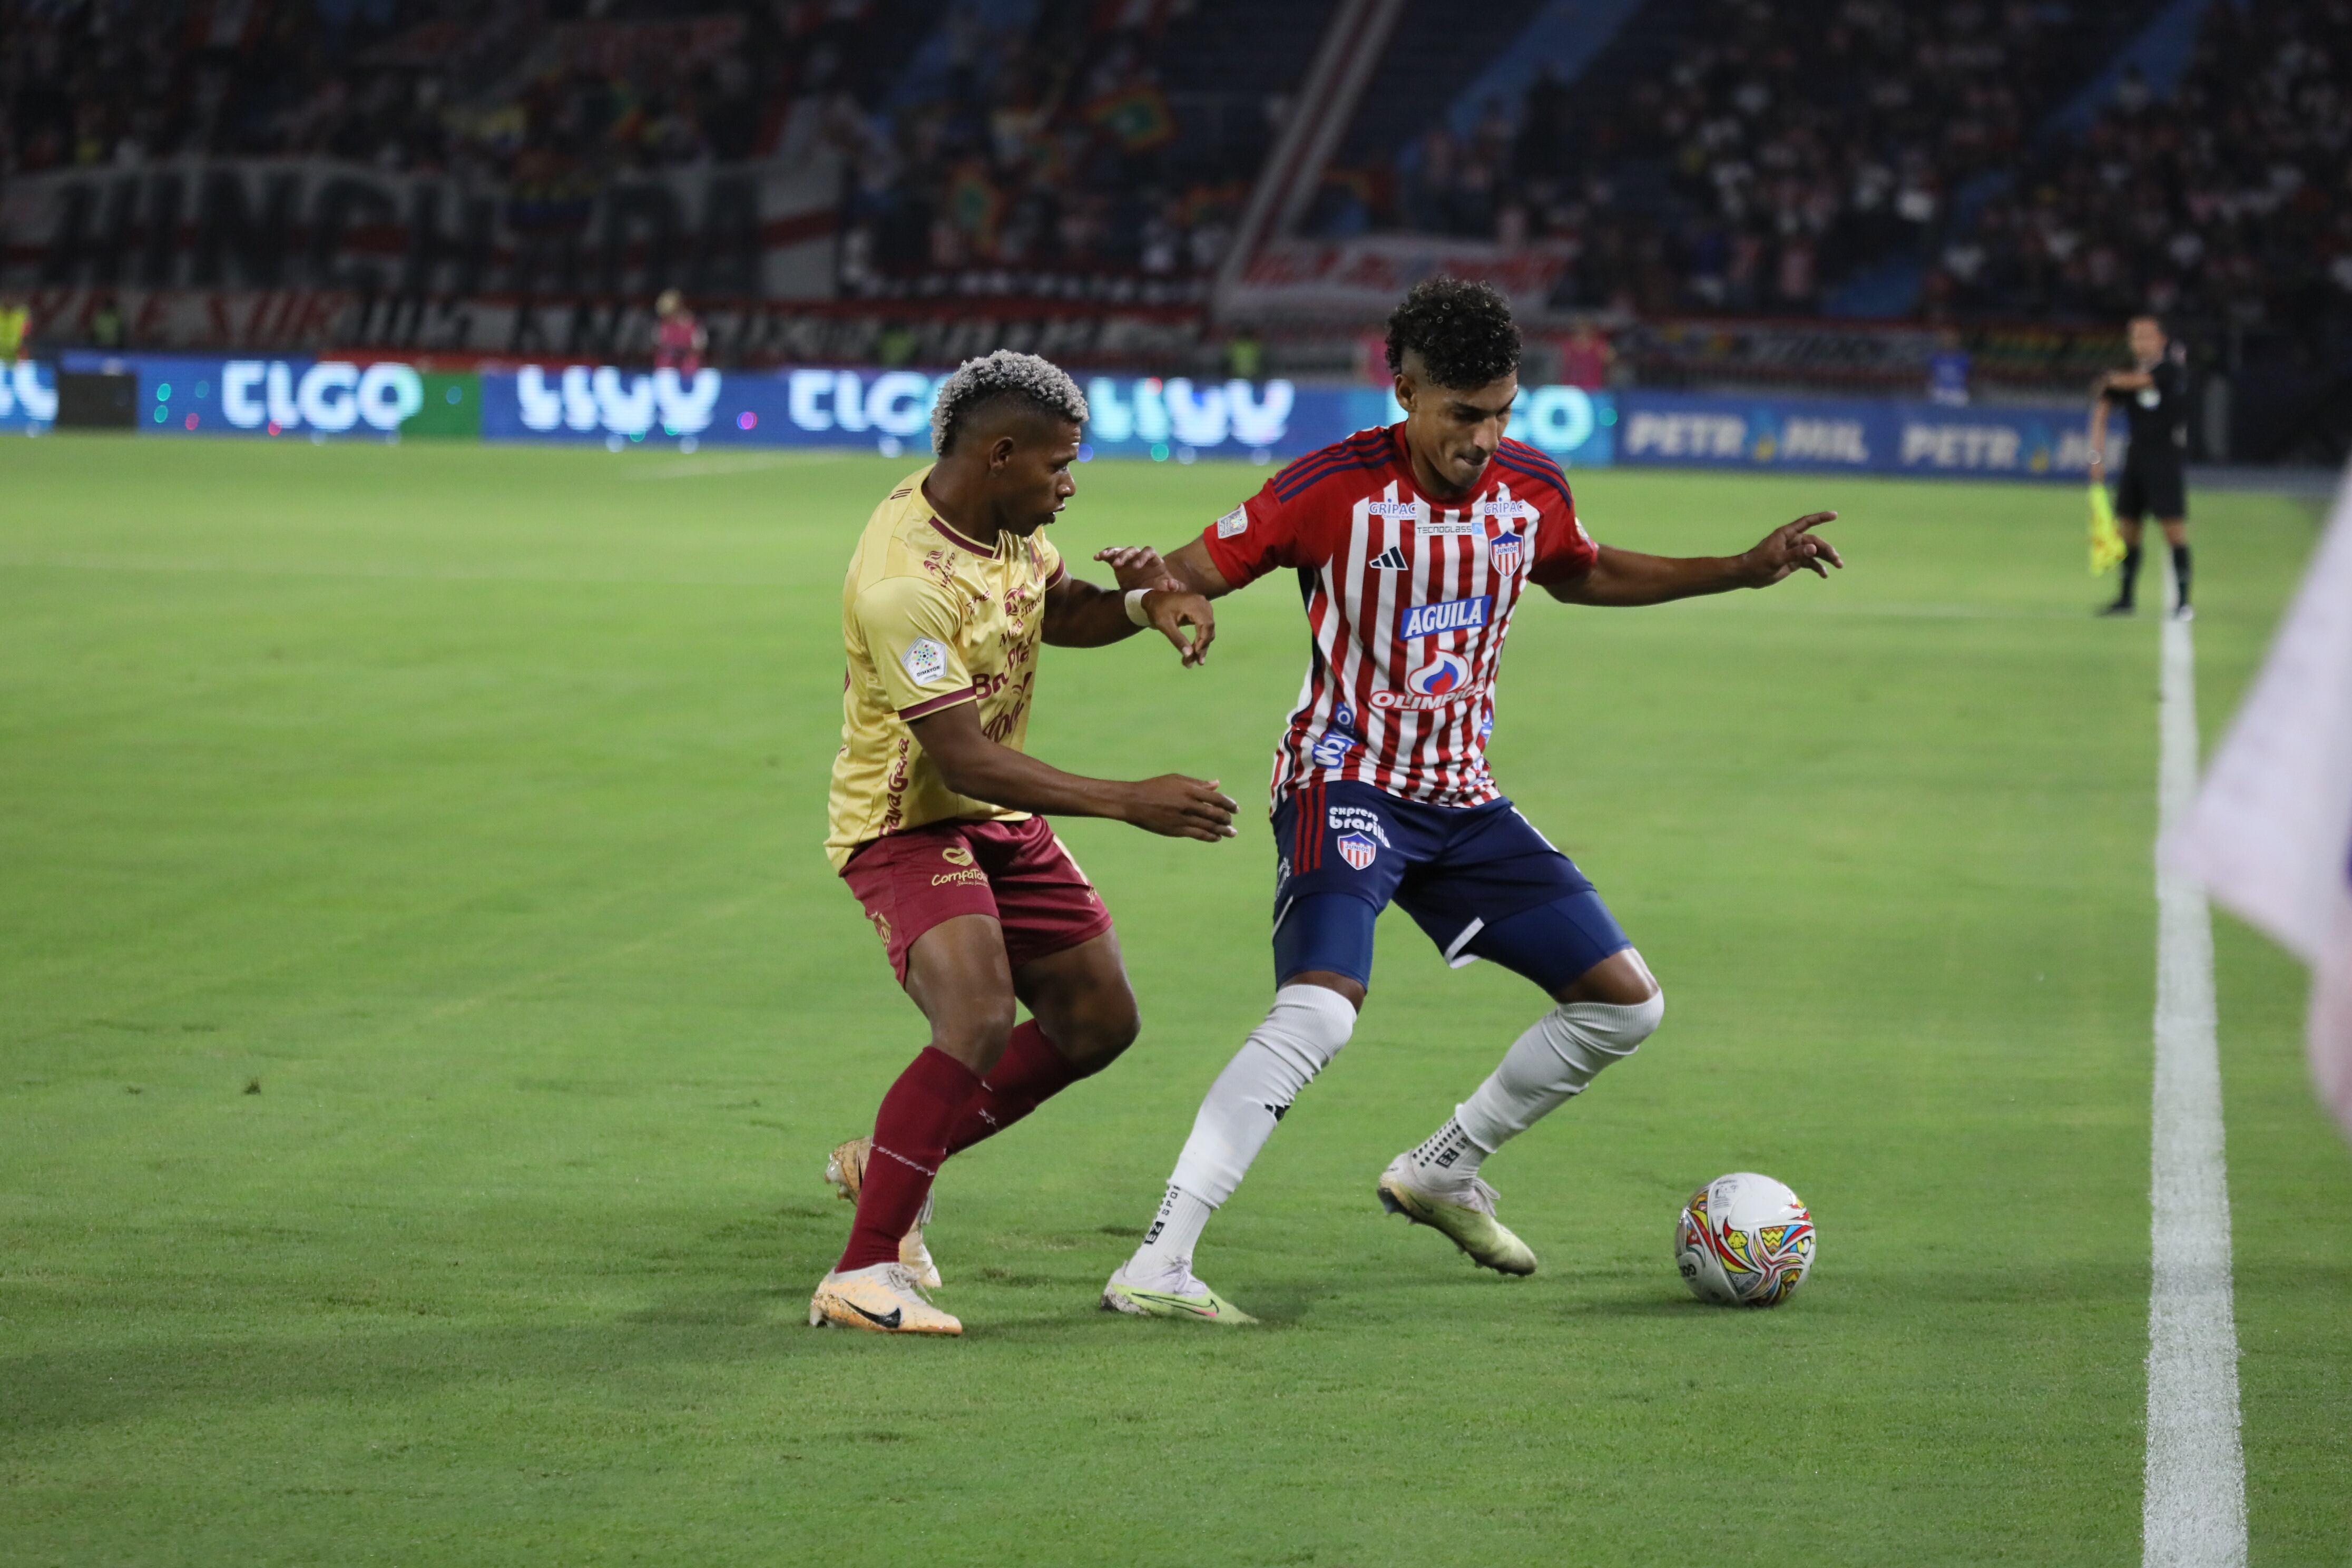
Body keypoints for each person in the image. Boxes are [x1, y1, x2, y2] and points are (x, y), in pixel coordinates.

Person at [1092, 278, 1841, 1322]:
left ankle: (1442, 1169)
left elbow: (1580, 571)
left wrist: (1740, 570)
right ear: (1404, 392)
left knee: (1627, 1006)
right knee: (1318, 1011)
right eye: (1463, 414)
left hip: (1462, 798)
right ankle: (1159, 1266)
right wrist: (1157, 595)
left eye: (1501, 412)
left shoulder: (1530, 488)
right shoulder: (1327, 488)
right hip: (1344, 776)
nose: (1485, 438)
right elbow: (1184, 572)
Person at [809, 350, 1236, 1336]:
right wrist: (1129, 799)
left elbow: (1057, 609)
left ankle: (890, 1162)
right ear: (1000, 454)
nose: (1069, 484)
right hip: (906, 820)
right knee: (978, 1014)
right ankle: (863, 1269)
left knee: (1098, 1021)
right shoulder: (899, 584)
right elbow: (961, 759)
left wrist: (1144, 602)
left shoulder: (999, 524)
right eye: (1059, 466)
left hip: (995, 811)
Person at [2090, 315, 2192, 620]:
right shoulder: (2126, 374)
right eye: (2135, 337)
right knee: (2128, 530)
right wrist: (2096, 455)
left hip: (2165, 458)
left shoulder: (2171, 370)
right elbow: (2102, 407)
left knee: (2174, 531)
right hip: (2136, 458)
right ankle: (2125, 599)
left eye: (2147, 336)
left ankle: (2184, 602)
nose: (2140, 342)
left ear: (2161, 340)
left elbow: (2139, 382)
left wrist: (2111, 379)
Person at [653, 289, 705, 377]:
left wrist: (682, 350)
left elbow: (699, 347)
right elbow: (658, 345)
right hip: (665, 370)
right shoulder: (662, 325)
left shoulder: (693, 325)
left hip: (689, 370)